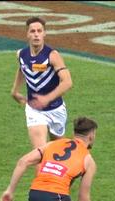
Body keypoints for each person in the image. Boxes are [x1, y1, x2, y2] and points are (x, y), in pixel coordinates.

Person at [11, 16, 73, 149]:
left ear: (44, 33)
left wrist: (47, 98)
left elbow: (67, 82)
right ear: (27, 34)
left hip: (56, 110)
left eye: (39, 31)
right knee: (41, 153)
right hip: (34, 110)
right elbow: (22, 68)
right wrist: (15, 91)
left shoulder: (52, 55)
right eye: (32, 31)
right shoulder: (21, 54)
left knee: (57, 151)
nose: (36, 35)